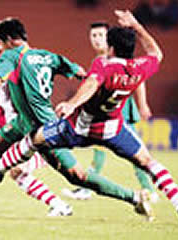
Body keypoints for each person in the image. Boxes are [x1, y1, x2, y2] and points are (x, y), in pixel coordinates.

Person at [0, 10, 178, 224]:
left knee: (34, 139)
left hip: (80, 128)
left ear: (110, 48)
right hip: (113, 129)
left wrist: (72, 104)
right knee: (149, 162)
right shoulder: (139, 68)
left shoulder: (103, 65)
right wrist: (138, 26)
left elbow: (91, 84)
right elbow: (156, 53)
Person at [0, 17, 155, 220]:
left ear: (8, 40)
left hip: (44, 127)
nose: (0, 49)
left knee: (77, 176)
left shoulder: (12, 55)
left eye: (0, 44)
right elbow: (79, 72)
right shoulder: (47, 56)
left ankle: (134, 197)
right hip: (23, 122)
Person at [0, 24, 72, 216]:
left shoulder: (13, 66)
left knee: (17, 171)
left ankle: (60, 205)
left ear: (0, 46)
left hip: (26, 127)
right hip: (3, 130)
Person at [62, 22, 158, 202]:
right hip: (104, 113)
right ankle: (88, 186)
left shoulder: (118, 59)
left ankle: (148, 189)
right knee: (102, 147)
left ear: (110, 41)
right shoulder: (99, 61)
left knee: (135, 153)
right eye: (93, 36)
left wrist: (142, 104)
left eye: (100, 36)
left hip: (120, 110)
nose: (97, 40)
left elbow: (139, 77)